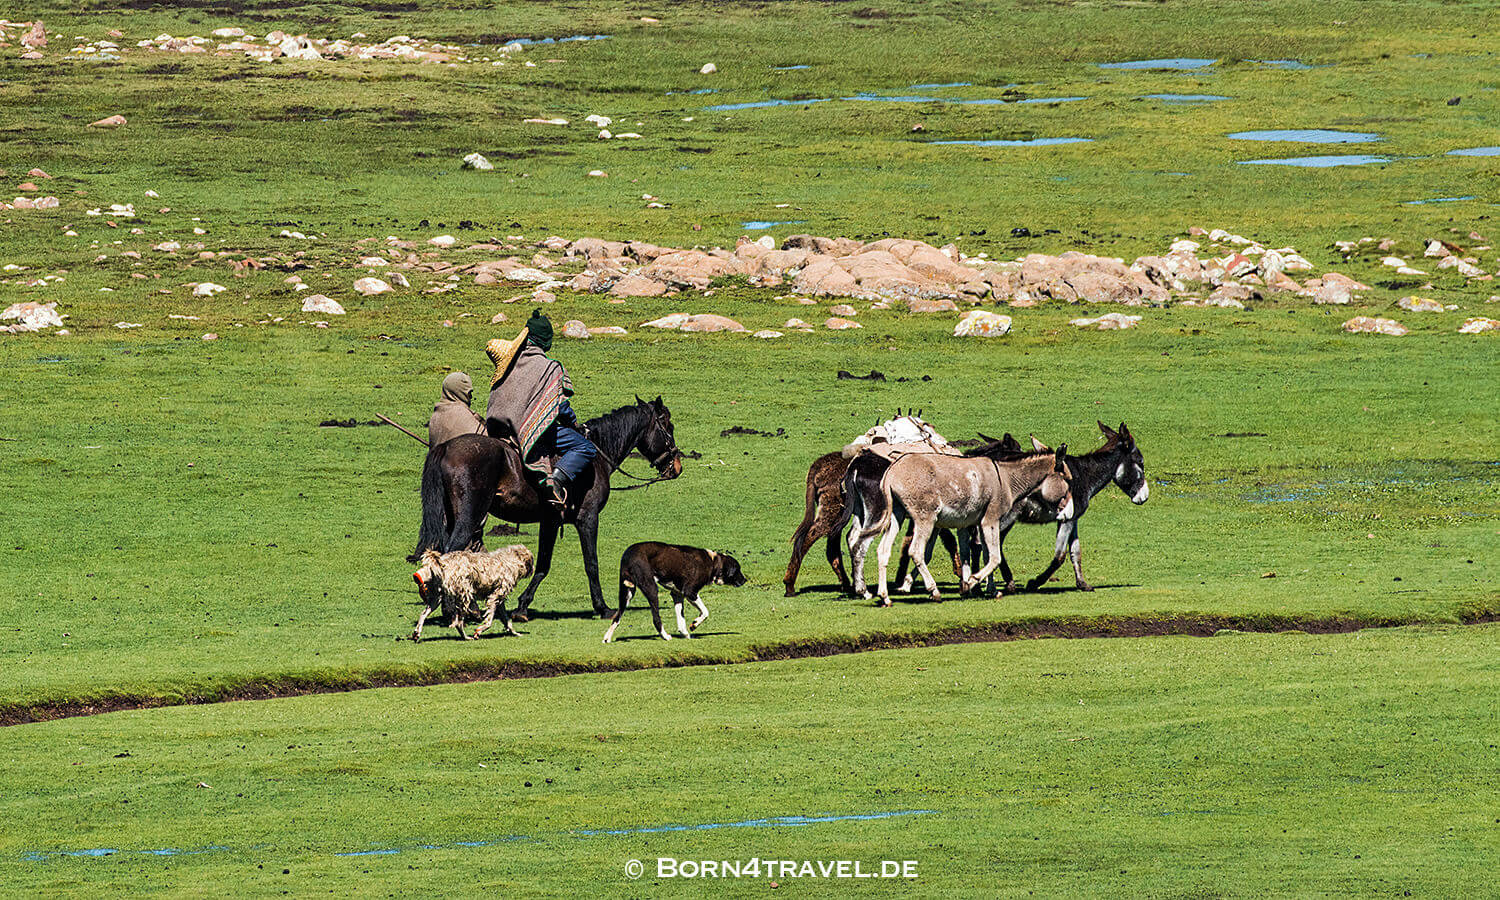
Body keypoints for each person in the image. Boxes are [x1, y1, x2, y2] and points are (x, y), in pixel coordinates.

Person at [484, 310, 598, 506]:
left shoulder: (510, 362)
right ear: (546, 340)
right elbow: (559, 406)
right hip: (524, 429)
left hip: (497, 427)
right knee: (585, 447)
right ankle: (555, 481)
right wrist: (573, 423)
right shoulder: (549, 367)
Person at [425, 371, 485, 447]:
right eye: (469, 393)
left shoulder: (436, 415)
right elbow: (487, 443)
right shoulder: (462, 415)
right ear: (460, 392)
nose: (471, 397)